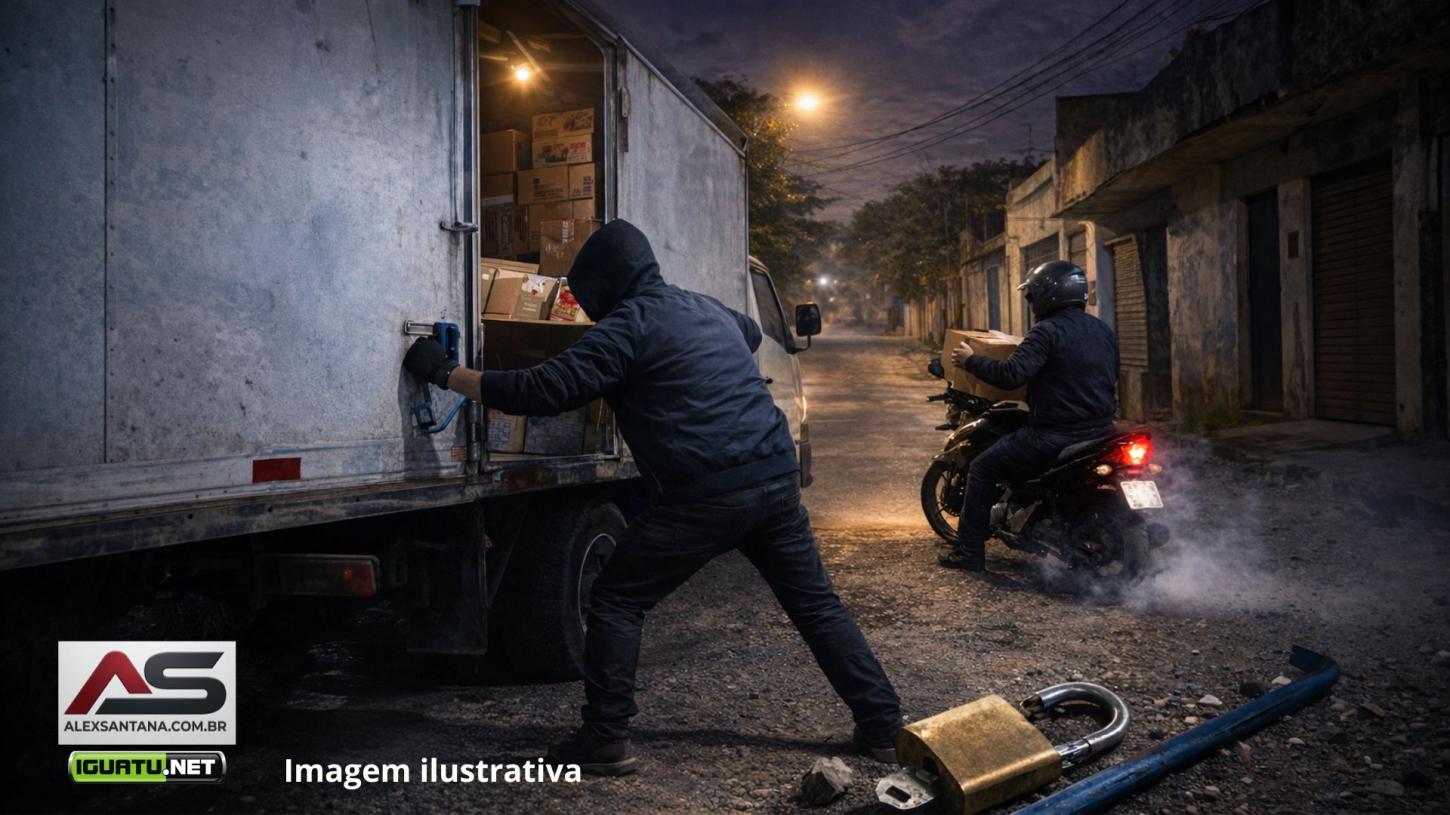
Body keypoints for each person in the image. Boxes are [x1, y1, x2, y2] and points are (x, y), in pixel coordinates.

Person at [403, 220, 903, 775]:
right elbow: (751, 334)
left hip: (705, 494)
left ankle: (605, 738)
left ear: (603, 284)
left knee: (617, 602)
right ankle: (883, 729)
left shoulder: (625, 329)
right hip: (775, 477)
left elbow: (539, 390)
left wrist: (447, 373)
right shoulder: (707, 309)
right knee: (817, 606)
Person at [940, 260, 1119, 572]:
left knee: (982, 468)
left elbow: (1011, 374)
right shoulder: (1102, 329)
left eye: (1033, 295)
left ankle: (968, 552)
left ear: (1046, 296)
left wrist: (971, 361)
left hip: (1055, 433)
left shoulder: (1046, 331)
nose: (1031, 302)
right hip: (1102, 432)